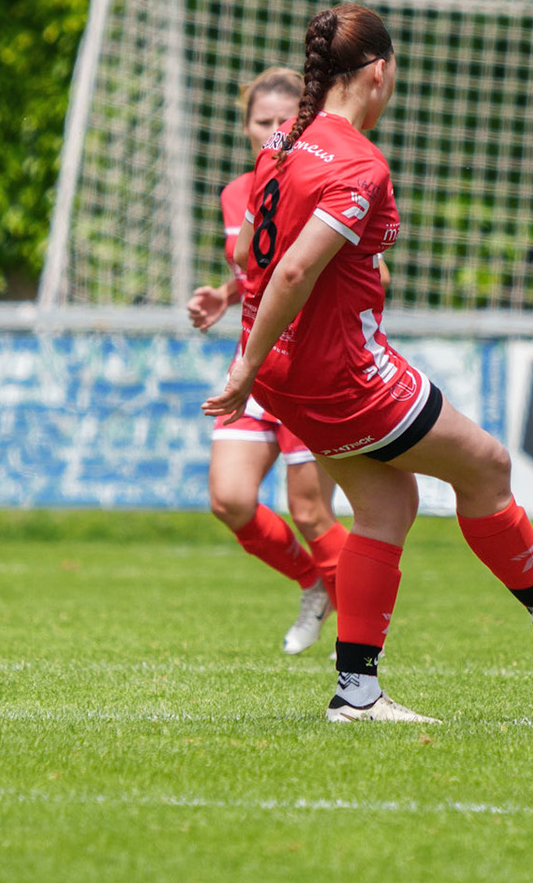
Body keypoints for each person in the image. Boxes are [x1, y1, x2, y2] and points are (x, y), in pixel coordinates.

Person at [204, 5, 533, 723]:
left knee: (386, 506)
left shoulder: (283, 140)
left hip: (288, 374)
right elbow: (293, 270)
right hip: (342, 374)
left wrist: (252, 352)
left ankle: (357, 693)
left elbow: (254, 244)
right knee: (487, 465)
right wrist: (244, 368)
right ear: (379, 71)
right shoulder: (358, 163)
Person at [187, 68, 351, 655]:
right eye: (263, 122)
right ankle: (314, 585)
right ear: (246, 127)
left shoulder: (328, 180)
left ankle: (361, 638)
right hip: (253, 366)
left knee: (310, 511)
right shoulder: (238, 192)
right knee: (229, 500)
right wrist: (225, 295)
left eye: (286, 120)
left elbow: (366, 272)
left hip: (309, 366)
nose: (274, 131)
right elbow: (259, 271)